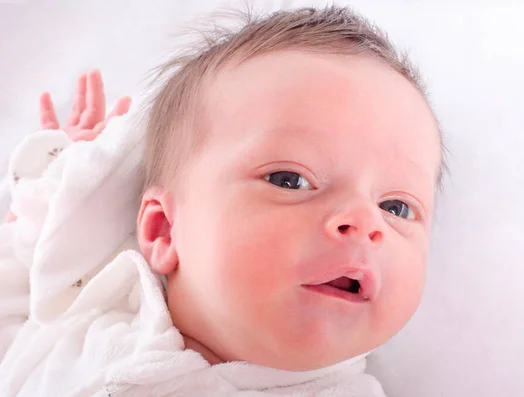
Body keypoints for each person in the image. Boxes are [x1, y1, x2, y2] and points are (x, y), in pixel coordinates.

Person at [0, 6, 443, 395]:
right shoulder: (87, 313)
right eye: (290, 180)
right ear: (164, 230)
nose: (366, 221)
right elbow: (19, 295)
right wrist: (58, 191)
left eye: (397, 207)